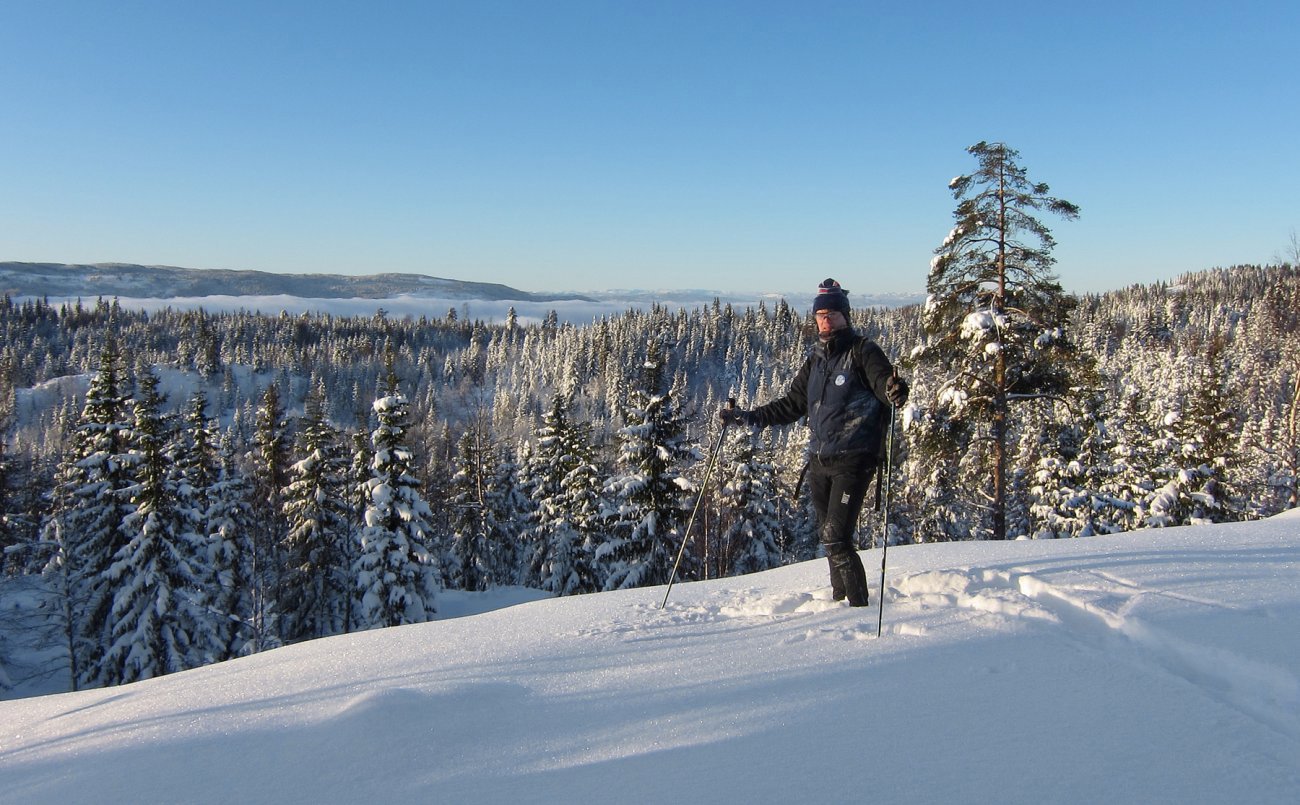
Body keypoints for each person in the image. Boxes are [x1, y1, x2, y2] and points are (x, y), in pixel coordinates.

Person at [720, 278, 908, 606]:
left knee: (837, 537)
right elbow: (791, 405)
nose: (826, 319)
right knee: (829, 538)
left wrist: (894, 391)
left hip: (855, 459)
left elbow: (883, 384)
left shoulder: (863, 351)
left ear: (845, 316)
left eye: (832, 313)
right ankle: (840, 601)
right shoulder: (816, 361)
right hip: (820, 462)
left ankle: (859, 608)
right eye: (820, 314)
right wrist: (748, 418)